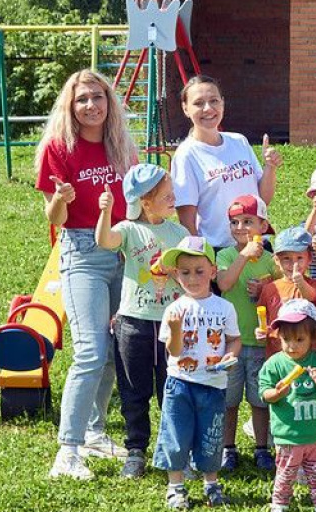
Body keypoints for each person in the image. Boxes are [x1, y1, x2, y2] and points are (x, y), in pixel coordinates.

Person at [36, 69, 136, 479]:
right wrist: (61, 199)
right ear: (70, 106)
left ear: (109, 102)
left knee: (114, 348)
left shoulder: (121, 147)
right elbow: (53, 218)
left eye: (98, 97)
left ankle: (95, 432)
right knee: (91, 351)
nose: (91, 105)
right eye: (82, 99)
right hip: (81, 252)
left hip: (122, 251)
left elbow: (135, 204)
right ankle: (68, 451)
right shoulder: (59, 148)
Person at [94, 163, 188, 478]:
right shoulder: (130, 229)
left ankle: (173, 449)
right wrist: (105, 211)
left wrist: (177, 271)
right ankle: (136, 450)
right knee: (134, 390)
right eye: (167, 195)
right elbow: (105, 240)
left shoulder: (180, 233)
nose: (174, 198)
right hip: (133, 323)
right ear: (145, 201)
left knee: (171, 389)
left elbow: (192, 275)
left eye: (173, 193)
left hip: (172, 323)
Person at [154, 236, 241, 509]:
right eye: (185, 272)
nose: (192, 278)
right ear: (176, 275)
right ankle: (176, 487)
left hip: (214, 383)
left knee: (211, 437)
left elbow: (234, 338)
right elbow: (175, 351)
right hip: (181, 383)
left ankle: (211, 483)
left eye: (199, 271)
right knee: (176, 434)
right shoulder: (175, 309)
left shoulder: (224, 307)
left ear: (213, 271)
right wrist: (177, 329)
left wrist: (232, 354)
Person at [171, 75, 282, 250]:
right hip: (220, 251)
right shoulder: (186, 154)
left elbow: (262, 200)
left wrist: (270, 167)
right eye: (198, 103)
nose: (208, 108)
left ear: (222, 103)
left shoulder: (239, 141)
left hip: (258, 245)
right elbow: (186, 220)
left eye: (214, 101)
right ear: (185, 109)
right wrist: (199, 258)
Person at [215, 194, 278, 472]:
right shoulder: (226, 255)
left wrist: (265, 287)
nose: (240, 227)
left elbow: (281, 287)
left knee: (259, 400)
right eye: (235, 222)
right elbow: (225, 283)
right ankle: (228, 449)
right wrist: (243, 256)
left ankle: (262, 448)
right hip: (230, 342)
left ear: (263, 226)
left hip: (260, 341)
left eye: (248, 221)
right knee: (229, 400)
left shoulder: (272, 260)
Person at [260, 299, 316, 512]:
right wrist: (275, 393)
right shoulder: (274, 364)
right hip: (288, 435)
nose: (292, 346)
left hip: (315, 434)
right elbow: (264, 393)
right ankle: (280, 503)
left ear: (313, 338)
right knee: (285, 473)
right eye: (286, 339)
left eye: (299, 339)